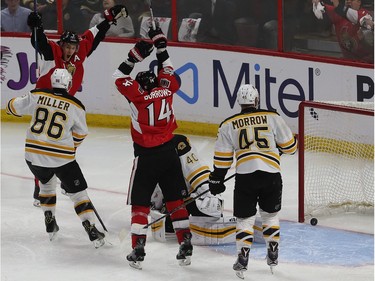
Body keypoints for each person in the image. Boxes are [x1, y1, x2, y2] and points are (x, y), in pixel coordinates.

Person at [26, 4, 128, 207]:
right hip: (46, 105)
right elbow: (40, 44)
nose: (70, 51)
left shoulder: (80, 53)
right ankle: (41, 187)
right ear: (61, 44)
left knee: (66, 145)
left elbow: (94, 35)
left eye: (73, 47)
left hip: (66, 107)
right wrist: (35, 28)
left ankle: (65, 178)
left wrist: (108, 19)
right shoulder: (53, 52)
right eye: (67, 47)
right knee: (43, 149)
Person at [113, 28, 193, 269]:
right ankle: (185, 243)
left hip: (146, 156)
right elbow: (169, 69)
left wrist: (133, 57)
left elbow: (118, 76)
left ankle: (138, 247)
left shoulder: (137, 96)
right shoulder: (167, 89)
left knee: (140, 203)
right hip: (169, 153)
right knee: (175, 201)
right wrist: (161, 47)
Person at [5, 68, 106, 248]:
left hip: (33, 155)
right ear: (68, 84)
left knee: (46, 184)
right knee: (78, 194)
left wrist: (18, 101)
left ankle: (49, 219)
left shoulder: (36, 95)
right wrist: (70, 148)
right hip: (62, 158)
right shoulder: (76, 105)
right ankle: (90, 227)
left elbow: (11, 107)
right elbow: (81, 133)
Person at [208, 84, 298, 279]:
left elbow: (223, 159)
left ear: (239, 102)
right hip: (271, 175)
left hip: (245, 177)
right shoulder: (273, 117)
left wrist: (217, 179)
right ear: (257, 100)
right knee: (270, 216)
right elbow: (291, 147)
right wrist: (279, 148)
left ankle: (242, 256)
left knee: (245, 220)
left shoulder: (228, 124)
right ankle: (273, 252)